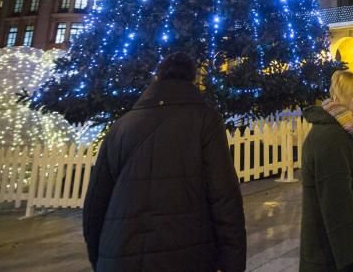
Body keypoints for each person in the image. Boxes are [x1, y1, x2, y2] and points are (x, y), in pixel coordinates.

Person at [82, 52, 247, 272]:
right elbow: (224, 196)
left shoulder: (121, 126)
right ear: (193, 79)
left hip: (120, 255)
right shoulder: (204, 120)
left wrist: (99, 257)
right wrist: (232, 262)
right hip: (186, 254)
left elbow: (95, 204)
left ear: (157, 78)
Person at [300, 70, 353, 272]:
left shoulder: (346, 133)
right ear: (340, 98)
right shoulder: (330, 139)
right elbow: (338, 202)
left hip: (344, 250)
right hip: (335, 257)